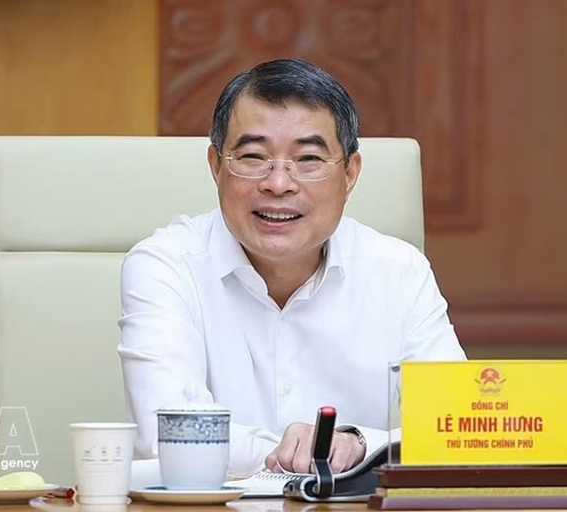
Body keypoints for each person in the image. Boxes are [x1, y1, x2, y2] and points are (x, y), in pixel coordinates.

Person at [117, 58, 466, 479]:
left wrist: (359, 443)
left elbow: (456, 429)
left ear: (350, 173)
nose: (279, 183)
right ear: (216, 166)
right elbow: (167, 436)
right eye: (252, 156)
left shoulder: (399, 271)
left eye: (308, 159)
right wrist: (317, 452)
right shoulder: (165, 266)